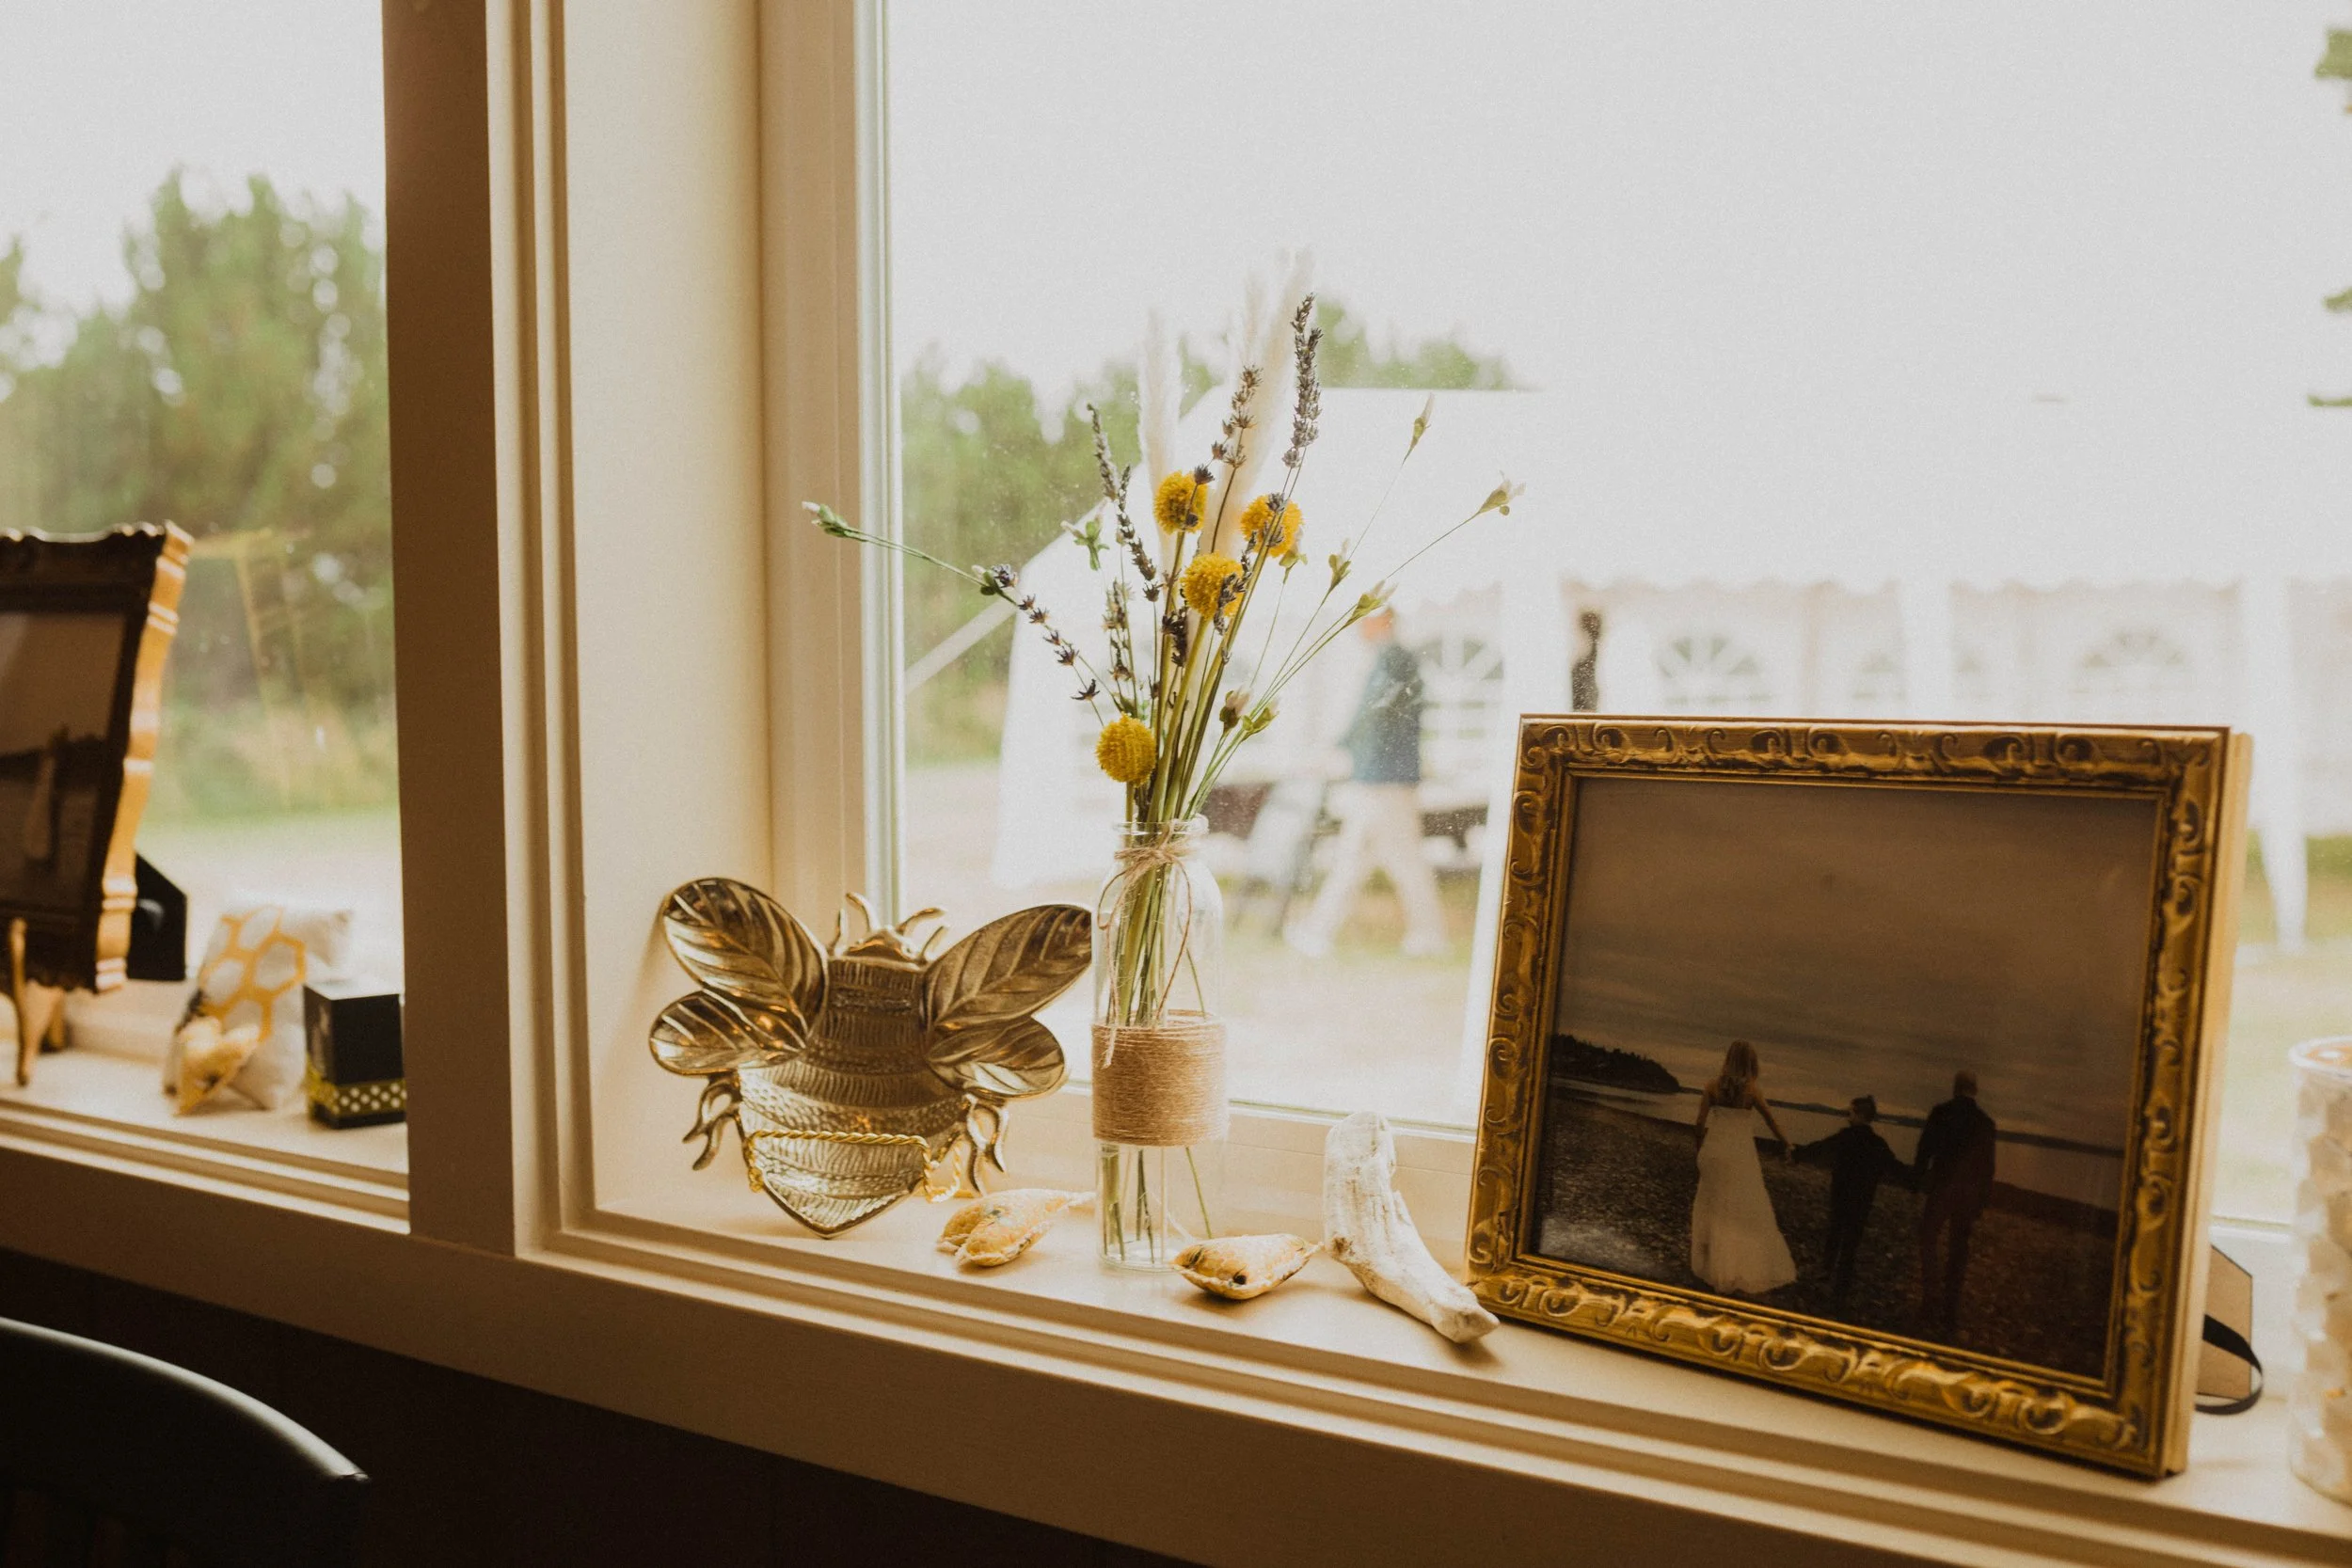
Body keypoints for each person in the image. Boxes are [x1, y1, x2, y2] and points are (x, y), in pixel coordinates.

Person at [1284, 608, 1447, 958]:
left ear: (1383, 620)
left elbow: (1371, 716)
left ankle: (1428, 935)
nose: (1358, 628)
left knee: (1395, 859)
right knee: (1358, 859)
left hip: (1385, 781)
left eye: (1365, 620)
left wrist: (1335, 750)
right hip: (1380, 779)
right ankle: (1319, 932)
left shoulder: (1394, 659)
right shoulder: (1391, 659)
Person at [1690, 1039, 1798, 1295]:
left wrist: (1700, 1150)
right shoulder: (1752, 1091)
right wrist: (1787, 1143)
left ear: (1728, 1059)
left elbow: (1699, 1125)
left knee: (1712, 1204)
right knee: (1740, 1207)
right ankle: (1734, 1264)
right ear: (1750, 1063)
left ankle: (1713, 1264)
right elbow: (1771, 1121)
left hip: (1714, 1151)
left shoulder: (1712, 1087)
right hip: (1739, 1154)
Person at [1796, 1094, 1908, 1307]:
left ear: (1859, 1114)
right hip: (1863, 1199)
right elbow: (1895, 1167)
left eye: (1851, 1112)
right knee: (1851, 1242)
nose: (1848, 1116)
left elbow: (1821, 1148)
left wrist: (1797, 1153)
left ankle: (1826, 1270)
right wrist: (1916, 1180)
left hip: (1841, 1195)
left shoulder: (1846, 1137)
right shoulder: (1878, 1143)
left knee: (1835, 1232)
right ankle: (1841, 1286)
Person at [1914, 1069, 1998, 1333]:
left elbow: (1924, 1149)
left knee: (1928, 1238)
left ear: (1955, 1087)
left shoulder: (1941, 1113)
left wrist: (1917, 1180)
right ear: (1975, 1090)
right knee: (1958, 1250)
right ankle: (1950, 1310)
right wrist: (1982, 1199)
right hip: (1968, 1194)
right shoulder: (1985, 1123)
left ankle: (1931, 1297)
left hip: (1942, 1187)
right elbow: (1988, 1167)